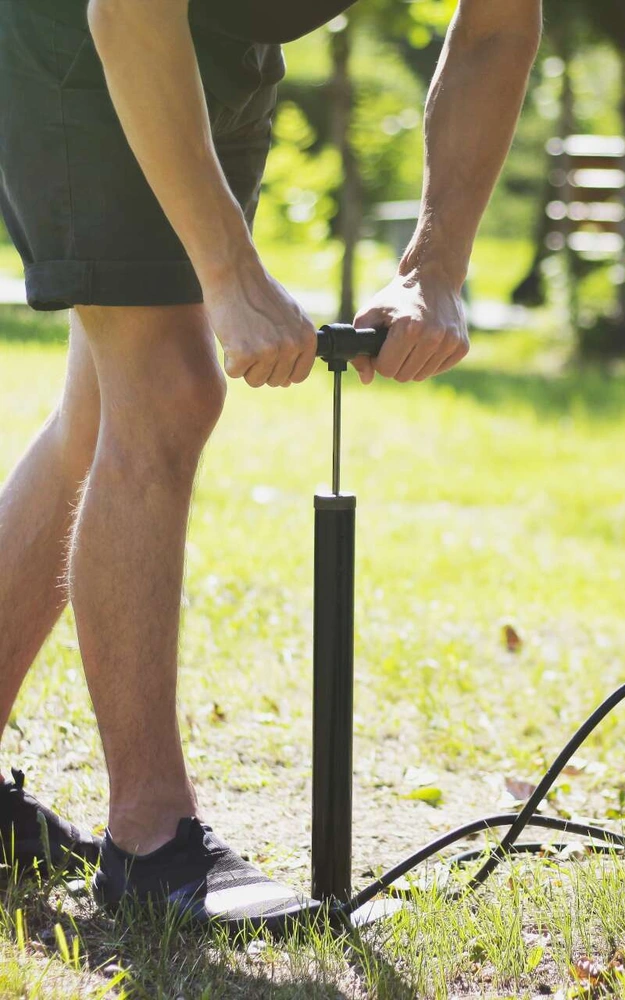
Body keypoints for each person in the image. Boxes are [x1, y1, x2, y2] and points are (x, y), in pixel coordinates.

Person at [0, 0, 542, 930]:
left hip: (221, 43)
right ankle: (149, 839)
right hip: (82, 24)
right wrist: (229, 271)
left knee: (107, 410)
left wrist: (437, 265)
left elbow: (498, 21)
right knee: (168, 386)